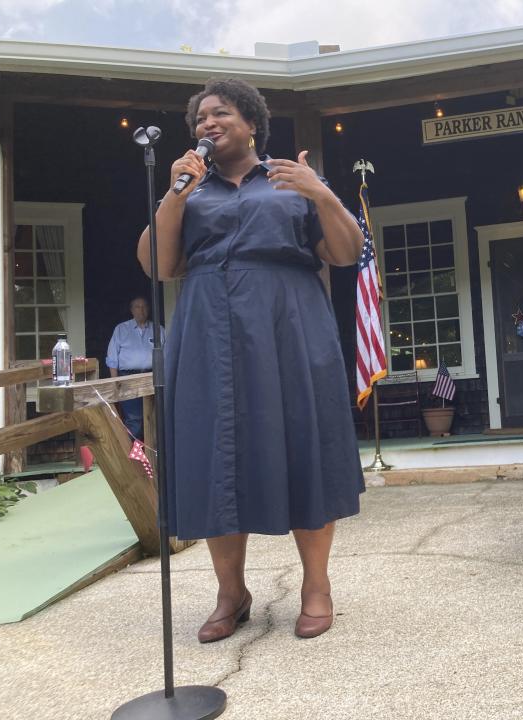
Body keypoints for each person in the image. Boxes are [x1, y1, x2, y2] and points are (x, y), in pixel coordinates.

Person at [136, 77, 365, 643]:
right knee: (218, 453)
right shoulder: (191, 191)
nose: (207, 125)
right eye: (200, 119)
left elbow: (345, 252)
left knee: (302, 440)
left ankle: (316, 587)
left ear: (251, 122)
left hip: (288, 323)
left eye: (220, 114)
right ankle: (230, 593)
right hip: (209, 327)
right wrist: (175, 194)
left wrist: (322, 193)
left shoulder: (291, 180)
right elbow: (159, 266)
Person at [105, 296, 163, 440]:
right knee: (135, 420)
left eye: (144, 306)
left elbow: (166, 356)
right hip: (128, 378)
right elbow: (112, 358)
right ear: (132, 310)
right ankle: (126, 456)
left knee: (155, 419)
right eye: (137, 307)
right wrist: (115, 382)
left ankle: (152, 458)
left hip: (153, 377)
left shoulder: (158, 329)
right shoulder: (121, 329)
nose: (141, 310)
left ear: (148, 309)